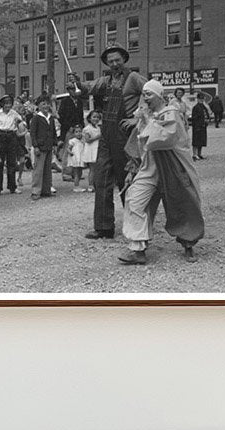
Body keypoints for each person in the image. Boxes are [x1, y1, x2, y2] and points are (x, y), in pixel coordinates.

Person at [118, 79, 204, 266]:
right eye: (144, 94)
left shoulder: (171, 113)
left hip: (172, 167)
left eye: (149, 94)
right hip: (150, 167)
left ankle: (188, 244)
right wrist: (132, 167)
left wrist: (147, 120)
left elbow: (165, 139)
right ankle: (138, 249)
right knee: (135, 199)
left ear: (159, 95)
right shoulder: (145, 115)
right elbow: (138, 143)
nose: (145, 98)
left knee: (183, 203)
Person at [69, 46, 146, 239]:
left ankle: (134, 228)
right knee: (101, 179)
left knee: (125, 181)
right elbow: (87, 88)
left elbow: (153, 93)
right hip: (106, 135)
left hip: (124, 136)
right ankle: (104, 227)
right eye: (110, 61)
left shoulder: (134, 78)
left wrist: (138, 118)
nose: (114, 64)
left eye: (117, 60)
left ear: (124, 59)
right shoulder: (106, 81)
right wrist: (77, 83)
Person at [0, 94, 22, 195]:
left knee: (12, 162)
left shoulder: (14, 113)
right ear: (2, 104)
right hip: (1, 136)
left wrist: (19, 123)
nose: (8, 105)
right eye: (6, 103)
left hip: (11, 136)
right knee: (0, 162)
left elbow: (21, 121)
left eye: (10, 103)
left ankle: (12, 187)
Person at [29, 95, 58, 199]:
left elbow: (53, 132)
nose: (46, 106)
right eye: (43, 104)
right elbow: (33, 133)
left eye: (47, 104)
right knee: (38, 170)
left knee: (47, 170)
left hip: (49, 146)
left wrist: (55, 143)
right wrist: (35, 146)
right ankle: (36, 191)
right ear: (39, 106)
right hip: (40, 147)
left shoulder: (50, 118)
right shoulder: (36, 118)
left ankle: (46, 190)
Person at [82, 110, 102, 193]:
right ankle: (90, 185)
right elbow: (87, 140)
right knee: (92, 168)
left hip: (96, 148)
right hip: (91, 149)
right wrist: (97, 137)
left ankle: (96, 183)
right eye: (94, 117)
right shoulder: (87, 129)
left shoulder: (98, 128)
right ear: (89, 118)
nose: (96, 119)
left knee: (97, 168)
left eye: (97, 117)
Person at [65, 125, 87, 191]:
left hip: (81, 157)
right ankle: (76, 185)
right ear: (74, 133)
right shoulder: (73, 141)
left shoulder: (83, 140)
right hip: (76, 157)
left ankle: (78, 184)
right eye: (76, 132)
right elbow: (68, 148)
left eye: (80, 131)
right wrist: (70, 152)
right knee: (77, 172)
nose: (79, 133)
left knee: (80, 172)